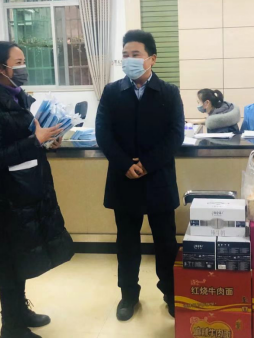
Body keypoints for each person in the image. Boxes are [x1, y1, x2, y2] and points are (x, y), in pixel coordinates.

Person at [0, 41, 74, 338]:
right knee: (8, 259)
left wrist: (47, 140)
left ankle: (20, 310)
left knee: (22, 255)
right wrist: (35, 141)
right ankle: (11, 326)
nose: (23, 68)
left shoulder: (21, 99)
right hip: (4, 199)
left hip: (27, 191)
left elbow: (27, 138)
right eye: (17, 63)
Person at [96, 30, 184, 321]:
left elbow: (176, 135)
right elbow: (103, 134)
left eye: (136, 54)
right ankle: (128, 296)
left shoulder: (169, 92)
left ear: (152, 58)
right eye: (125, 55)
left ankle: (170, 293)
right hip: (124, 180)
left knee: (165, 243)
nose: (129, 60)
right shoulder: (112, 92)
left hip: (158, 179)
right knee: (127, 244)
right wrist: (125, 164)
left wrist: (147, 164)